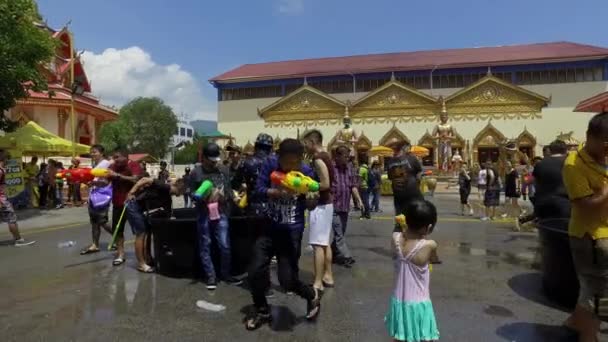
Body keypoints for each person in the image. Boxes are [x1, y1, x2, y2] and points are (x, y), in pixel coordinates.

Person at [245, 138, 322, 330]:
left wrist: (312, 200)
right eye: (287, 162)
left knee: (287, 280)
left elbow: (311, 205)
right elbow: (257, 191)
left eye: (295, 162)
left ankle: (311, 295)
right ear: (279, 157)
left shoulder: (306, 172)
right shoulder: (269, 164)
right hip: (268, 226)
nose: (291, 167)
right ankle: (262, 309)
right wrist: (275, 191)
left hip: (291, 231)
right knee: (255, 271)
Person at [562, 112, 608, 342]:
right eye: (605, 143)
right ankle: (590, 336)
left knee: (592, 287)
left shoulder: (603, 157)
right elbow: (583, 205)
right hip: (591, 236)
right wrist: (605, 193)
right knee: (601, 292)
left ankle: (575, 323)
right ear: (590, 137)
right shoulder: (574, 164)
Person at [385, 200, 440, 342]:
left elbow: (395, 252)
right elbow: (434, 260)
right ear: (428, 227)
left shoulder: (395, 238)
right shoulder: (429, 245)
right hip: (419, 303)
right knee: (424, 336)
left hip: (399, 300)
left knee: (400, 336)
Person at [191, 142, 240, 290]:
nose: (214, 163)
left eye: (216, 160)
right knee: (205, 245)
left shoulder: (223, 170)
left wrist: (226, 196)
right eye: (211, 160)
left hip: (221, 212)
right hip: (204, 213)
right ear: (203, 158)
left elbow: (230, 192)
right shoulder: (196, 173)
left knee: (225, 245)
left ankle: (225, 274)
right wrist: (204, 196)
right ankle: (211, 276)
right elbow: (191, 193)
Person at [127, 176, 186, 273]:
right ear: (177, 187)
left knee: (148, 232)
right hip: (134, 206)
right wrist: (131, 192)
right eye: (179, 192)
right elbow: (144, 179)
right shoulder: (165, 186)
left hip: (143, 208)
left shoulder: (167, 195)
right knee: (141, 233)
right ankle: (141, 264)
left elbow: (168, 212)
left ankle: (148, 258)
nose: (178, 195)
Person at [302, 130, 336, 291]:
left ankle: (317, 282)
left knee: (317, 245)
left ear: (312, 142)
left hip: (321, 205)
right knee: (324, 243)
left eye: (306, 143)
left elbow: (325, 183)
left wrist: (308, 186)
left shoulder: (318, 159)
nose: (305, 147)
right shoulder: (327, 155)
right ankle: (327, 275)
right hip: (327, 204)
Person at [107, 148, 143, 266]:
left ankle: (143, 258)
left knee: (139, 231)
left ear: (125, 156)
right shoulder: (112, 166)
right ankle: (120, 254)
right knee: (118, 230)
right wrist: (94, 182)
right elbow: (106, 181)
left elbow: (136, 179)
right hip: (117, 203)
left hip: (132, 203)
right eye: (114, 157)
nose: (115, 160)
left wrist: (117, 175)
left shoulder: (134, 165)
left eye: (117, 157)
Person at [331, 145, 363, 268]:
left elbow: (353, 186)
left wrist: (359, 200)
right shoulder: (331, 168)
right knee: (339, 232)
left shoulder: (349, 168)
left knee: (341, 233)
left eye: (348, 157)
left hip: (344, 206)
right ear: (337, 156)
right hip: (333, 205)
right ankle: (346, 256)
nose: (348, 159)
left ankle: (332, 252)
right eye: (345, 157)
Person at [80, 144, 113, 255]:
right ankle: (95, 245)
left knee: (102, 221)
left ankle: (118, 238)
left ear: (101, 153)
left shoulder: (106, 164)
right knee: (94, 222)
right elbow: (94, 180)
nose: (92, 154)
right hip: (94, 195)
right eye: (91, 152)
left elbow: (106, 182)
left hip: (103, 196)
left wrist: (94, 182)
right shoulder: (95, 164)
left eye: (95, 152)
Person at [386, 139, 423, 232]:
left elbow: (390, 177)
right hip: (413, 192)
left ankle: (399, 236)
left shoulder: (390, 162)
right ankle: (415, 235)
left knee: (400, 217)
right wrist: (417, 184)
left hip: (398, 193)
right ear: (404, 148)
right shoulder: (411, 158)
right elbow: (419, 174)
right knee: (417, 215)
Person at [0, 150, 35, 246]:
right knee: (12, 220)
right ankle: (18, 240)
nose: (9, 161)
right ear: (5, 158)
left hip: (3, 199)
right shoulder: (0, 170)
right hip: (2, 200)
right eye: (8, 159)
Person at [503, 161, 522, 230]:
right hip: (508, 189)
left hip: (514, 189)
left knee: (514, 204)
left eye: (508, 164)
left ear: (511, 164)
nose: (507, 165)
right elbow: (506, 181)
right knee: (513, 204)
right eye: (506, 164)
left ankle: (516, 219)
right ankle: (521, 211)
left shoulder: (514, 171)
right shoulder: (506, 172)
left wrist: (517, 189)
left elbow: (518, 180)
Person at [357, 154, 371, 220]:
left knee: (362, 201)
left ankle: (364, 214)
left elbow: (360, 179)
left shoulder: (362, 169)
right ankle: (367, 214)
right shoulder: (367, 168)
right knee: (366, 201)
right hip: (367, 186)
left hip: (362, 187)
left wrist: (357, 186)